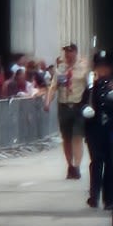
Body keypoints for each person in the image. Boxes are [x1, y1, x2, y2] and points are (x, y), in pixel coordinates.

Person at [46, 44, 88, 180]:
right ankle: (70, 165)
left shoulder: (83, 67)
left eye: (70, 53)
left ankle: (77, 166)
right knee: (66, 139)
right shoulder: (60, 69)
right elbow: (53, 87)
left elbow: (90, 86)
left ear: (75, 53)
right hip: (64, 106)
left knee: (77, 137)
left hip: (78, 105)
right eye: (66, 53)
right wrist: (47, 101)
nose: (68, 56)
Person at [83, 50, 113, 209]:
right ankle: (93, 196)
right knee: (96, 161)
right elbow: (83, 104)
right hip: (94, 129)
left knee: (110, 163)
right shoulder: (91, 87)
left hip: (111, 128)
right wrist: (85, 109)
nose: (102, 70)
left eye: (105, 67)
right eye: (99, 67)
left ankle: (109, 198)